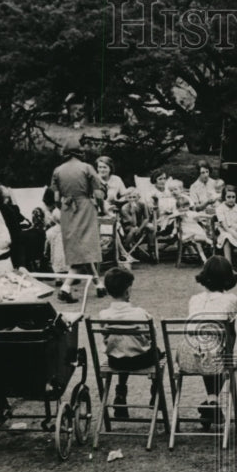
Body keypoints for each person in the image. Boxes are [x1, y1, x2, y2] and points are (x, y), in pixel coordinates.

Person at [181, 256, 237, 427]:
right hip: (211, 357)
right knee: (219, 356)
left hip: (187, 356)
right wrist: (229, 356)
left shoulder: (195, 299)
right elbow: (230, 333)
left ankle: (211, 401)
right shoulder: (230, 299)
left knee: (206, 350)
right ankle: (211, 402)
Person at [98, 266, 159, 420]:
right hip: (140, 360)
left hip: (116, 362)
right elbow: (152, 336)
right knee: (156, 352)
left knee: (121, 347)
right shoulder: (140, 313)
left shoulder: (104, 315)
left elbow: (105, 338)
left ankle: (120, 392)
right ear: (128, 290)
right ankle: (155, 391)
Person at [50, 147, 105, 302]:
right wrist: (101, 209)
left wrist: (64, 208)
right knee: (84, 248)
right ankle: (66, 287)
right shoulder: (87, 167)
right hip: (84, 207)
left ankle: (98, 284)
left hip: (67, 209)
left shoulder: (58, 170)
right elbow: (98, 193)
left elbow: (55, 197)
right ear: (80, 153)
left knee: (79, 247)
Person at [214, 186, 237, 272]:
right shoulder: (220, 208)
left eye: (233, 197)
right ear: (224, 197)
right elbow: (224, 226)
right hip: (226, 231)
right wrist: (234, 234)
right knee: (227, 237)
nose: (231, 199)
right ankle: (229, 266)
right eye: (229, 197)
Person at [175, 194, 211, 263]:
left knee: (197, 242)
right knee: (196, 238)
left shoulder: (191, 213)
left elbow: (200, 215)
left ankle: (203, 258)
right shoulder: (179, 213)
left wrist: (209, 216)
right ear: (178, 208)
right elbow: (174, 215)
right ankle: (207, 241)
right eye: (182, 207)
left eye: (186, 207)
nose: (184, 209)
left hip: (195, 232)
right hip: (187, 234)